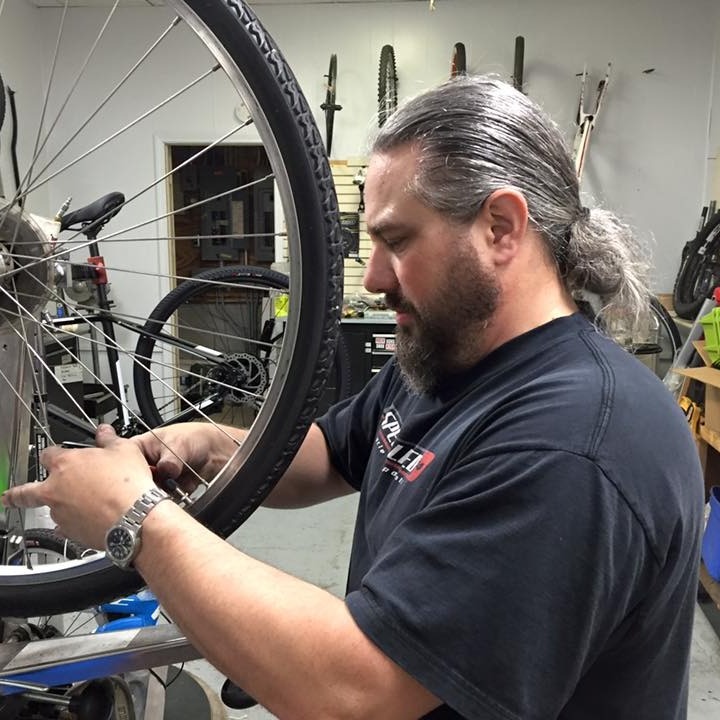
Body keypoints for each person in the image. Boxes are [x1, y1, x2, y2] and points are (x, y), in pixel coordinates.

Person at [2, 75, 704, 720]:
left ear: (501, 227)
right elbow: (334, 453)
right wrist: (216, 445)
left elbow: (357, 690)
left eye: (396, 241)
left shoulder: (576, 441)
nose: (373, 279)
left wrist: (136, 519)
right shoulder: (449, 351)